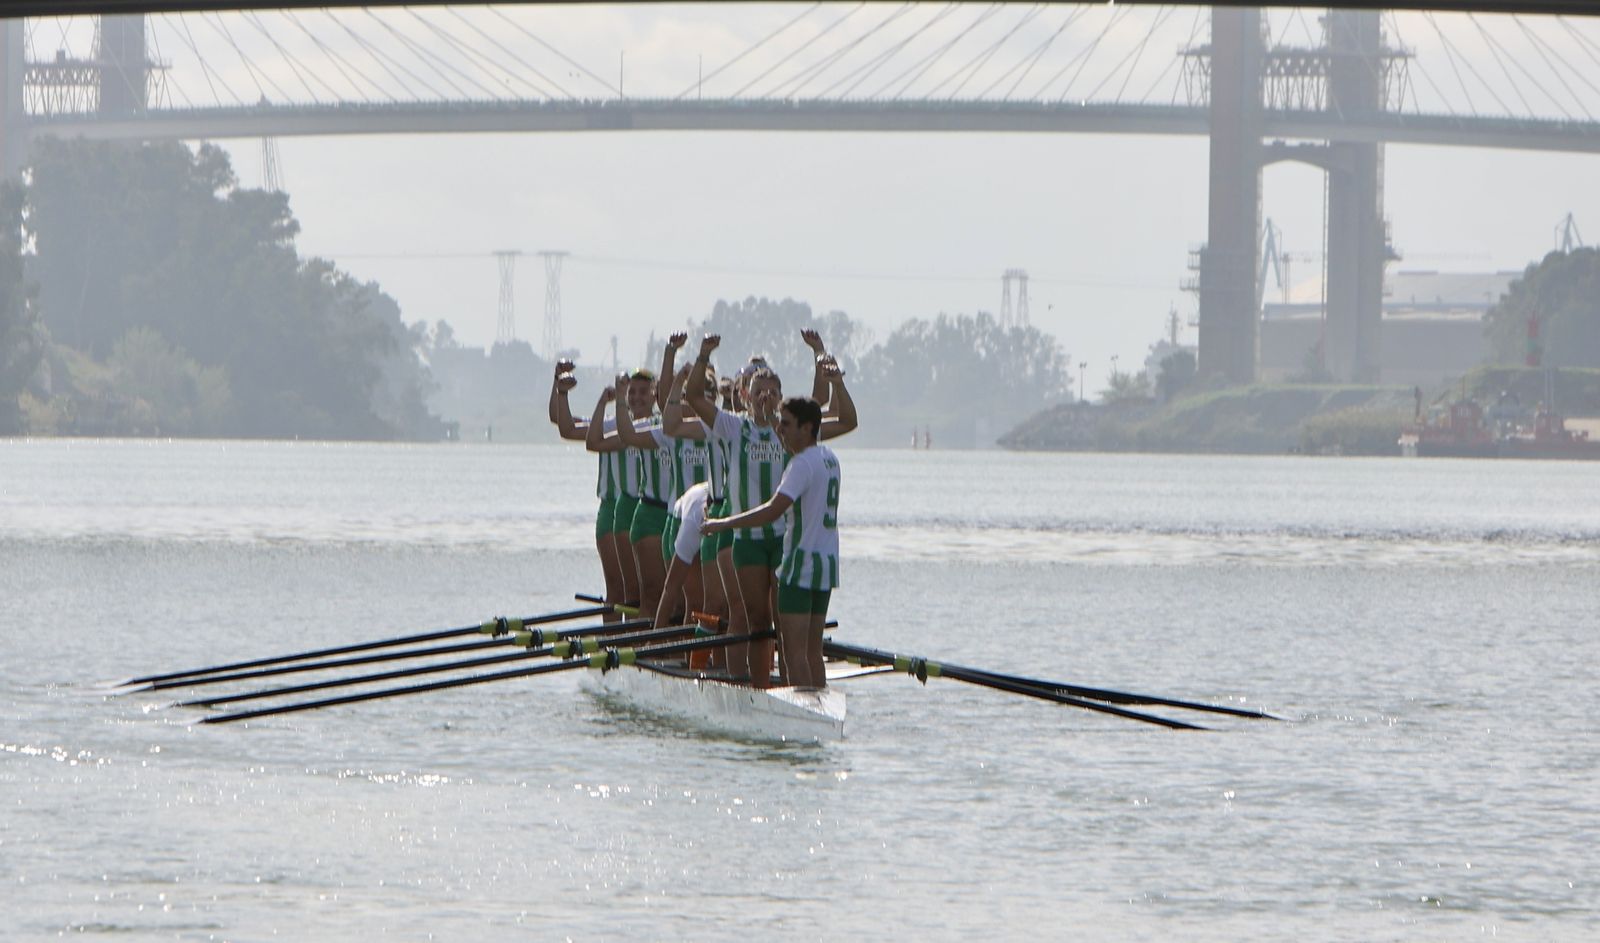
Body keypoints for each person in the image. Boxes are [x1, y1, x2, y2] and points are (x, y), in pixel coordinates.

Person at [703, 395, 841, 690]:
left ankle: (804, 713)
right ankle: (819, 707)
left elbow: (771, 511)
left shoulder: (800, 465)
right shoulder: (830, 458)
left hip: (798, 566)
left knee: (794, 654)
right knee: (814, 651)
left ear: (806, 428)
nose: (780, 430)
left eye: (787, 425)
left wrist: (723, 523)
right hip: (826, 566)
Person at [549, 359, 629, 622]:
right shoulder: (606, 424)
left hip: (642, 510)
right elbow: (564, 425)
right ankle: (614, 647)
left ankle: (644, 645)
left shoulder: (659, 424)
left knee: (642, 589)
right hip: (610, 508)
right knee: (616, 589)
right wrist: (560, 389)